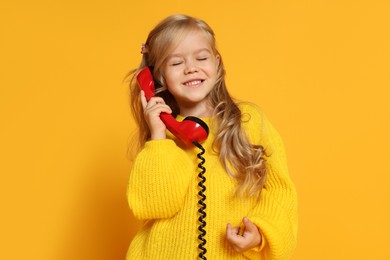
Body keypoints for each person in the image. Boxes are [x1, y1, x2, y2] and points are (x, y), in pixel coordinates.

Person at [126, 14, 298, 260]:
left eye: (201, 58)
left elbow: (280, 190)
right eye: (176, 63)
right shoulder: (162, 139)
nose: (191, 68)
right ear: (157, 77)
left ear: (216, 63)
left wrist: (261, 233)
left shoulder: (249, 120)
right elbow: (155, 205)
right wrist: (158, 137)